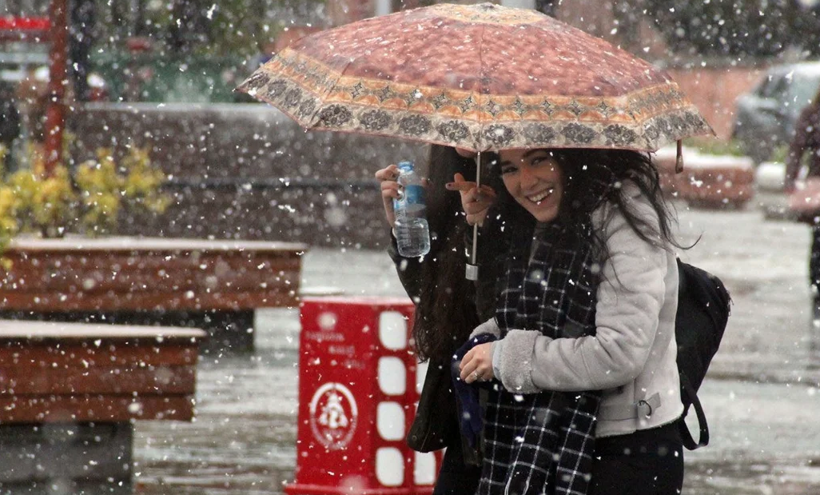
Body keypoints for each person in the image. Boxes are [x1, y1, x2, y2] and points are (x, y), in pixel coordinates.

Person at [456, 148, 685, 495]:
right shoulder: (546, 219)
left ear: (571, 156)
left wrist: (507, 358)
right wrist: (486, 343)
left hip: (624, 450)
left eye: (537, 160)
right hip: (548, 437)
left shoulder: (625, 216)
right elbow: (528, 315)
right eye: (510, 168)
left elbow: (618, 355)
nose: (526, 181)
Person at [374, 145, 504, 495]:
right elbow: (433, 301)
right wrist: (401, 227)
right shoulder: (450, 181)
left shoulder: (522, 182)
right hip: (468, 403)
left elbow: (501, 307)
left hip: (513, 400)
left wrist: (487, 228)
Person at [785, 88, 820, 301]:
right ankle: (816, 285)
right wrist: (790, 178)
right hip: (818, 187)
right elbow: (796, 148)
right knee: (818, 239)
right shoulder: (812, 114)